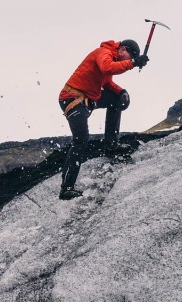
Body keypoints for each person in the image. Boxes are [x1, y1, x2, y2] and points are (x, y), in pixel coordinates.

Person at [57, 39, 149, 200]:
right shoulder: (104, 53)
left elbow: (107, 82)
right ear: (122, 50)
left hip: (87, 99)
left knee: (116, 100)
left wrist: (122, 92)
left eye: (130, 59)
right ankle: (66, 188)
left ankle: (111, 145)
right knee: (81, 140)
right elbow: (107, 67)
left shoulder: (112, 57)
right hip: (72, 99)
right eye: (128, 56)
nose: (127, 60)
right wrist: (133, 63)